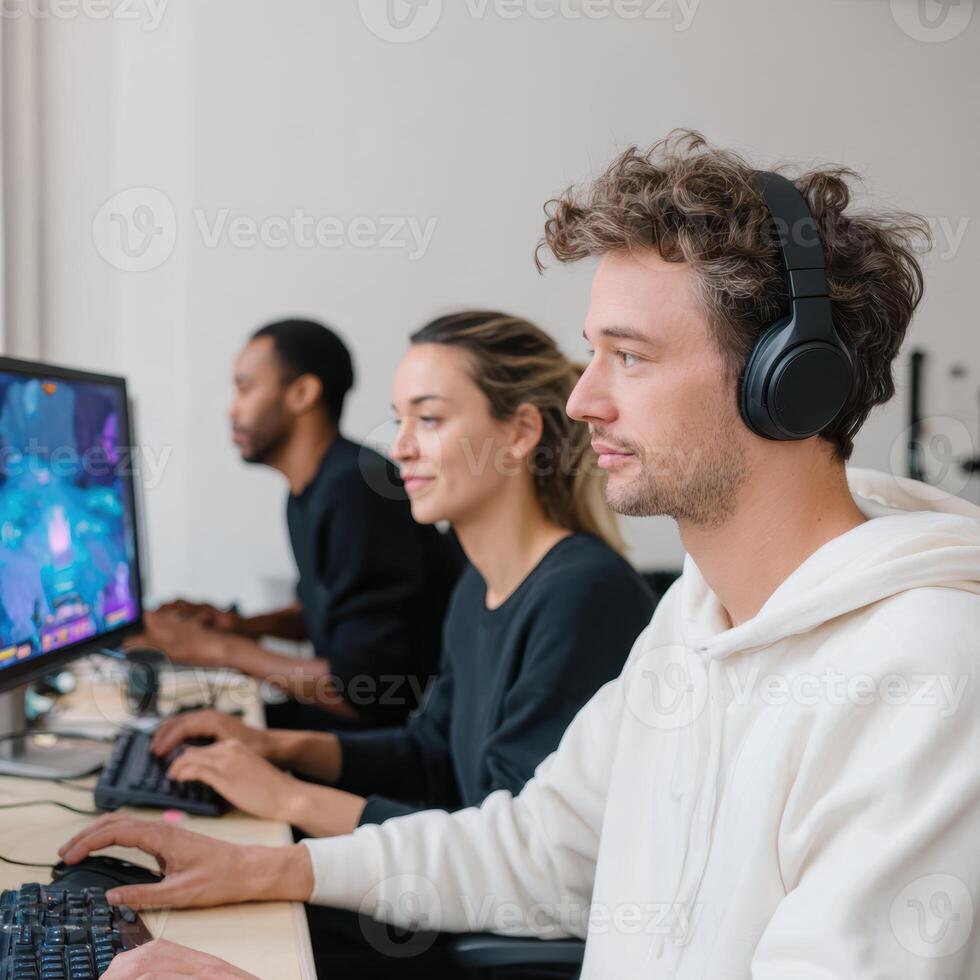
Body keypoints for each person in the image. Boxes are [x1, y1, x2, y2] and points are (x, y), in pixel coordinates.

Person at [66, 132, 980, 979]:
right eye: (593, 354)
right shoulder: (694, 621)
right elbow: (538, 850)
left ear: (787, 383)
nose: (582, 402)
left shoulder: (927, 674)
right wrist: (271, 867)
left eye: (629, 357)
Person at [145, 312, 653, 863]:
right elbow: (429, 754)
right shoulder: (477, 588)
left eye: (429, 419)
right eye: (399, 421)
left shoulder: (582, 595)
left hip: (492, 930)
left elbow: (511, 855)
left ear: (521, 433)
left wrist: (289, 796)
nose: (401, 448)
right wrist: (271, 744)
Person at [138, 319, 462, 729]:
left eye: (245, 388)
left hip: (378, 744)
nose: (231, 409)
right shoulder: (312, 489)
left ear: (303, 394)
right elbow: (329, 612)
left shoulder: (355, 494)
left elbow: (366, 690)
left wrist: (217, 648)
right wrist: (239, 625)